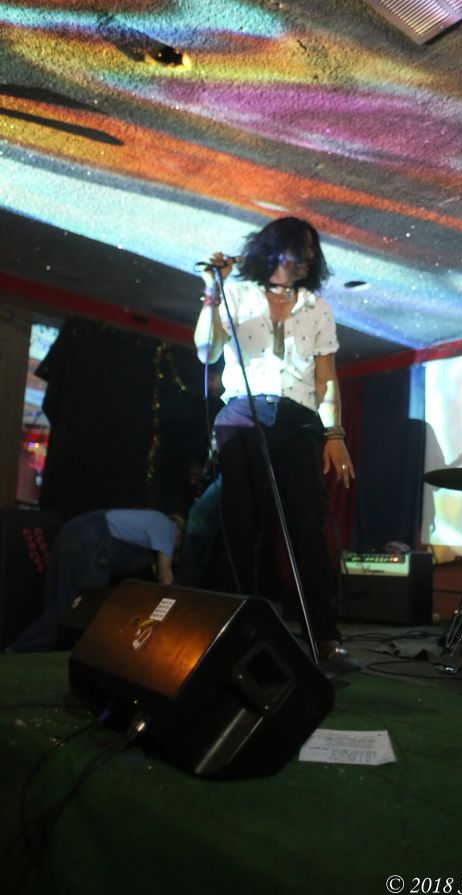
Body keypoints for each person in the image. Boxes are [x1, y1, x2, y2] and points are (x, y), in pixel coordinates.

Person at [194, 216, 357, 669]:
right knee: (240, 526)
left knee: (305, 527)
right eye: (298, 251)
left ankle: (323, 637)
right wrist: (212, 291)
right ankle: (234, 634)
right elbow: (206, 351)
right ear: (273, 250)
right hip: (243, 415)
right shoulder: (236, 294)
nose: (306, 260)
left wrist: (334, 434)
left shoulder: (317, 308)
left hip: (298, 420)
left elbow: (326, 379)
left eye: (310, 254)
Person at [10, 509, 184, 652]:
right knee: (77, 609)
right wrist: (175, 614)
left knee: (59, 605)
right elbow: (165, 577)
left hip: (72, 532)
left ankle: (31, 650)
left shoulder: (151, 525)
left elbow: (155, 572)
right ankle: (18, 650)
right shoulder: (166, 527)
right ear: (178, 532)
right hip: (91, 541)